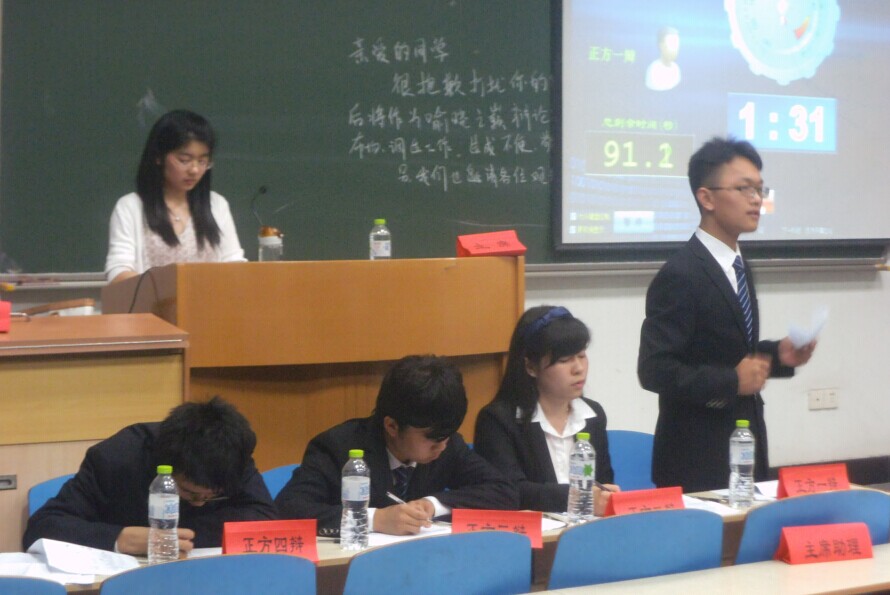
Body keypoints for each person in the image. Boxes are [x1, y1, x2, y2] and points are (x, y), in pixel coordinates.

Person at [638, 137, 816, 492]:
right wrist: (730, 382)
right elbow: (654, 369)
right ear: (707, 198)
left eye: (760, 189)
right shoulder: (681, 273)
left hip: (745, 447)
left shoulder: (739, 265)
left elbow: (726, 351)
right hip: (696, 458)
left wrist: (777, 355)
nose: (756, 199)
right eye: (744, 188)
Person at [276, 355, 519, 536]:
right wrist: (374, 519)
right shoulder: (338, 447)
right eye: (433, 438)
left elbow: (504, 491)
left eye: (448, 436)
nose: (442, 446)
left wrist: (432, 505)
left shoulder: (447, 443)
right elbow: (288, 509)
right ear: (392, 426)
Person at [23, 397, 276, 555]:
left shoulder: (232, 456)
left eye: (211, 497)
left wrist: (174, 538)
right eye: (189, 493)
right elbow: (43, 527)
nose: (199, 504)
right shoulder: (116, 458)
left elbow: (264, 519)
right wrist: (119, 538)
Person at [474, 306, 618, 515]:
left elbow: (602, 482)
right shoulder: (498, 420)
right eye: (564, 360)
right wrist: (579, 498)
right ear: (531, 367)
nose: (578, 368)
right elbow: (509, 492)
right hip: (531, 533)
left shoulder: (592, 415)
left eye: (581, 355)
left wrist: (606, 496)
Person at [105, 109, 245, 283]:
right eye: (184, 160)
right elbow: (118, 272)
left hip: (211, 300)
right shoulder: (130, 207)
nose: (194, 170)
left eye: (202, 161)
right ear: (159, 157)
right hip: (153, 301)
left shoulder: (217, 205)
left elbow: (234, 264)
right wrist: (168, 290)